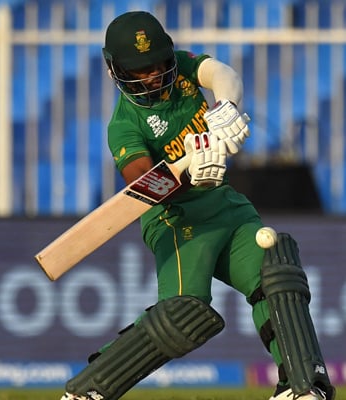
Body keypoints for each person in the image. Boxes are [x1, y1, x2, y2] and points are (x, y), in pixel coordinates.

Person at [60, 11, 334, 400]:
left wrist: (225, 106)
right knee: (183, 313)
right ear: (115, 70)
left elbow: (223, 74)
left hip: (224, 204)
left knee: (278, 273)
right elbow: (141, 185)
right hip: (176, 220)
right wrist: (188, 175)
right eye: (140, 70)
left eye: (157, 64)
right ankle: (88, 390)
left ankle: (303, 387)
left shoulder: (185, 71)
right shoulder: (124, 125)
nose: (153, 75)